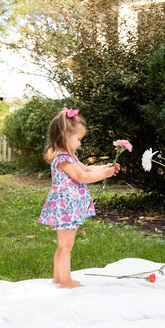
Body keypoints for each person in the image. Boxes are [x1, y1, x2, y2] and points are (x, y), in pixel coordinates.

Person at [39, 107, 120, 289]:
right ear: (64, 136)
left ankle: (58, 278)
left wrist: (105, 168)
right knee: (66, 244)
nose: (80, 144)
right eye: (78, 139)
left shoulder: (70, 156)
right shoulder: (62, 159)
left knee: (64, 244)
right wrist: (106, 173)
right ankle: (65, 281)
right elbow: (82, 177)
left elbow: (87, 170)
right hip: (65, 206)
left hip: (69, 205)